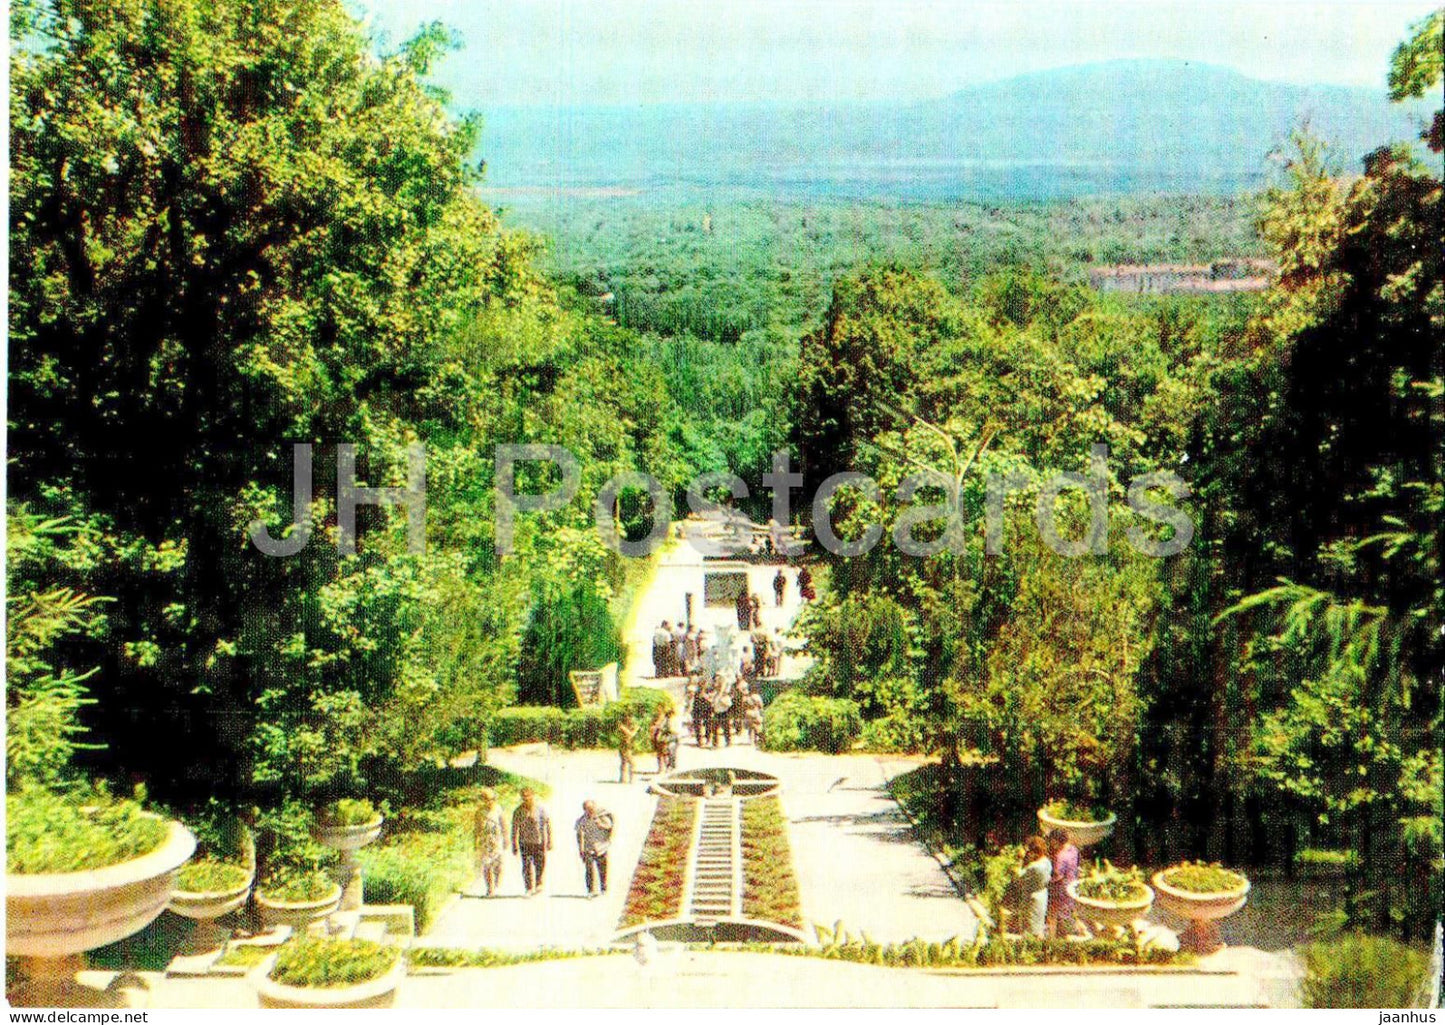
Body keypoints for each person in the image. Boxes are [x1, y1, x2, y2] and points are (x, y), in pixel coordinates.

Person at [1000, 836, 1052, 938]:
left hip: (1032, 899)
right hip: (1042, 895)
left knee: (1030, 929)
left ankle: (1031, 948)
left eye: (1029, 851)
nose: (1028, 853)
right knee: (1038, 925)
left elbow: (1018, 877)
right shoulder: (1046, 861)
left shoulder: (1034, 867)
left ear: (1035, 852)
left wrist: (1020, 859)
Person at [511, 788, 553, 896]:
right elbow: (515, 828)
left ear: (533, 796)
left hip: (538, 841)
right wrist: (514, 844)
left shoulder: (540, 809)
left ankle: (539, 882)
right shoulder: (518, 811)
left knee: (540, 863)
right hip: (524, 841)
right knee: (526, 865)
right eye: (524, 797)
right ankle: (529, 887)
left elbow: (548, 824)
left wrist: (550, 840)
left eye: (528, 796)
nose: (526, 799)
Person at [471, 788, 507, 897]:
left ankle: (497, 881)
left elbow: (504, 825)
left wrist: (506, 839)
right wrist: (475, 842)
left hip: (497, 840)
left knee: (498, 865)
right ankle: (490, 889)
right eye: (485, 799)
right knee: (487, 865)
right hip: (485, 841)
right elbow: (476, 828)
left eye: (490, 799)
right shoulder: (479, 812)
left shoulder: (499, 810)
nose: (488, 801)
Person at [1045, 828, 1081, 938]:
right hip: (1072, 882)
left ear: (1056, 841)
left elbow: (1057, 876)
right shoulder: (1073, 849)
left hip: (1062, 888)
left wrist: (1045, 881)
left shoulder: (1060, 856)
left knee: (1057, 912)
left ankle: (1061, 935)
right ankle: (1073, 929)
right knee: (1069, 909)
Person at [574, 801, 614, 898]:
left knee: (602, 869)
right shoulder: (582, 821)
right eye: (588, 809)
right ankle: (590, 890)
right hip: (589, 848)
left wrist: (601, 824)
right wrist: (581, 849)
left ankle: (603, 887)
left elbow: (609, 826)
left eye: (592, 809)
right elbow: (579, 835)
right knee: (589, 870)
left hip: (601, 847)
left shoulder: (602, 817)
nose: (591, 811)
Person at [708, 677, 734, 748]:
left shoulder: (724, 694)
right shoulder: (714, 693)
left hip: (724, 711)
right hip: (716, 711)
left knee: (726, 727)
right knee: (714, 728)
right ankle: (715, 743)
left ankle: (728, 741)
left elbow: (728, 703)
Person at [649, 705, 673, 773]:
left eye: (659, 710)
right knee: (659, 754)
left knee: (665, 753)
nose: (658, 711)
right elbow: (651, 726)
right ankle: (661, 768)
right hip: (656, 738)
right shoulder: (655, 719)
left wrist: (660, 728)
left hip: (663, 738)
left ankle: (667, 767)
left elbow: (669, 728)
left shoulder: (666, 719)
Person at [617, 714, 639, 783]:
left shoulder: (628, 726)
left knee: (624, 762)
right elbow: (630, 734)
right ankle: (631, 779)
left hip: (628, 746)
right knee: (632, 763)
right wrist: (635, 730)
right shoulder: (622, 726)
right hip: (625, 747)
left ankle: (623, 779)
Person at [689, 681, 711, 747]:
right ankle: (700, 740)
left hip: (706, 708)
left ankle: (707, 739)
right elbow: (691, 699)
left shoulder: (708, 691)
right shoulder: (695, 691)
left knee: (707, 724)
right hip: (697, 708)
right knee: (697, 724)